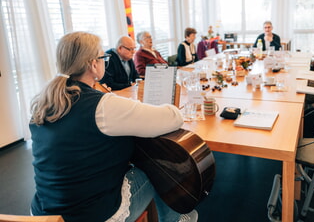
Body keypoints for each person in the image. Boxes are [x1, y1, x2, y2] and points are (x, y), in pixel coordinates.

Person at [29, 31, 198, 222]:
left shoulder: (43, 102)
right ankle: (177, 219)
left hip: (43, 211)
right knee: (159, 166)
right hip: (90, 215)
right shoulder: (102, 106)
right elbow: (173, 117)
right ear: (93, 64)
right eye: (103, 58)